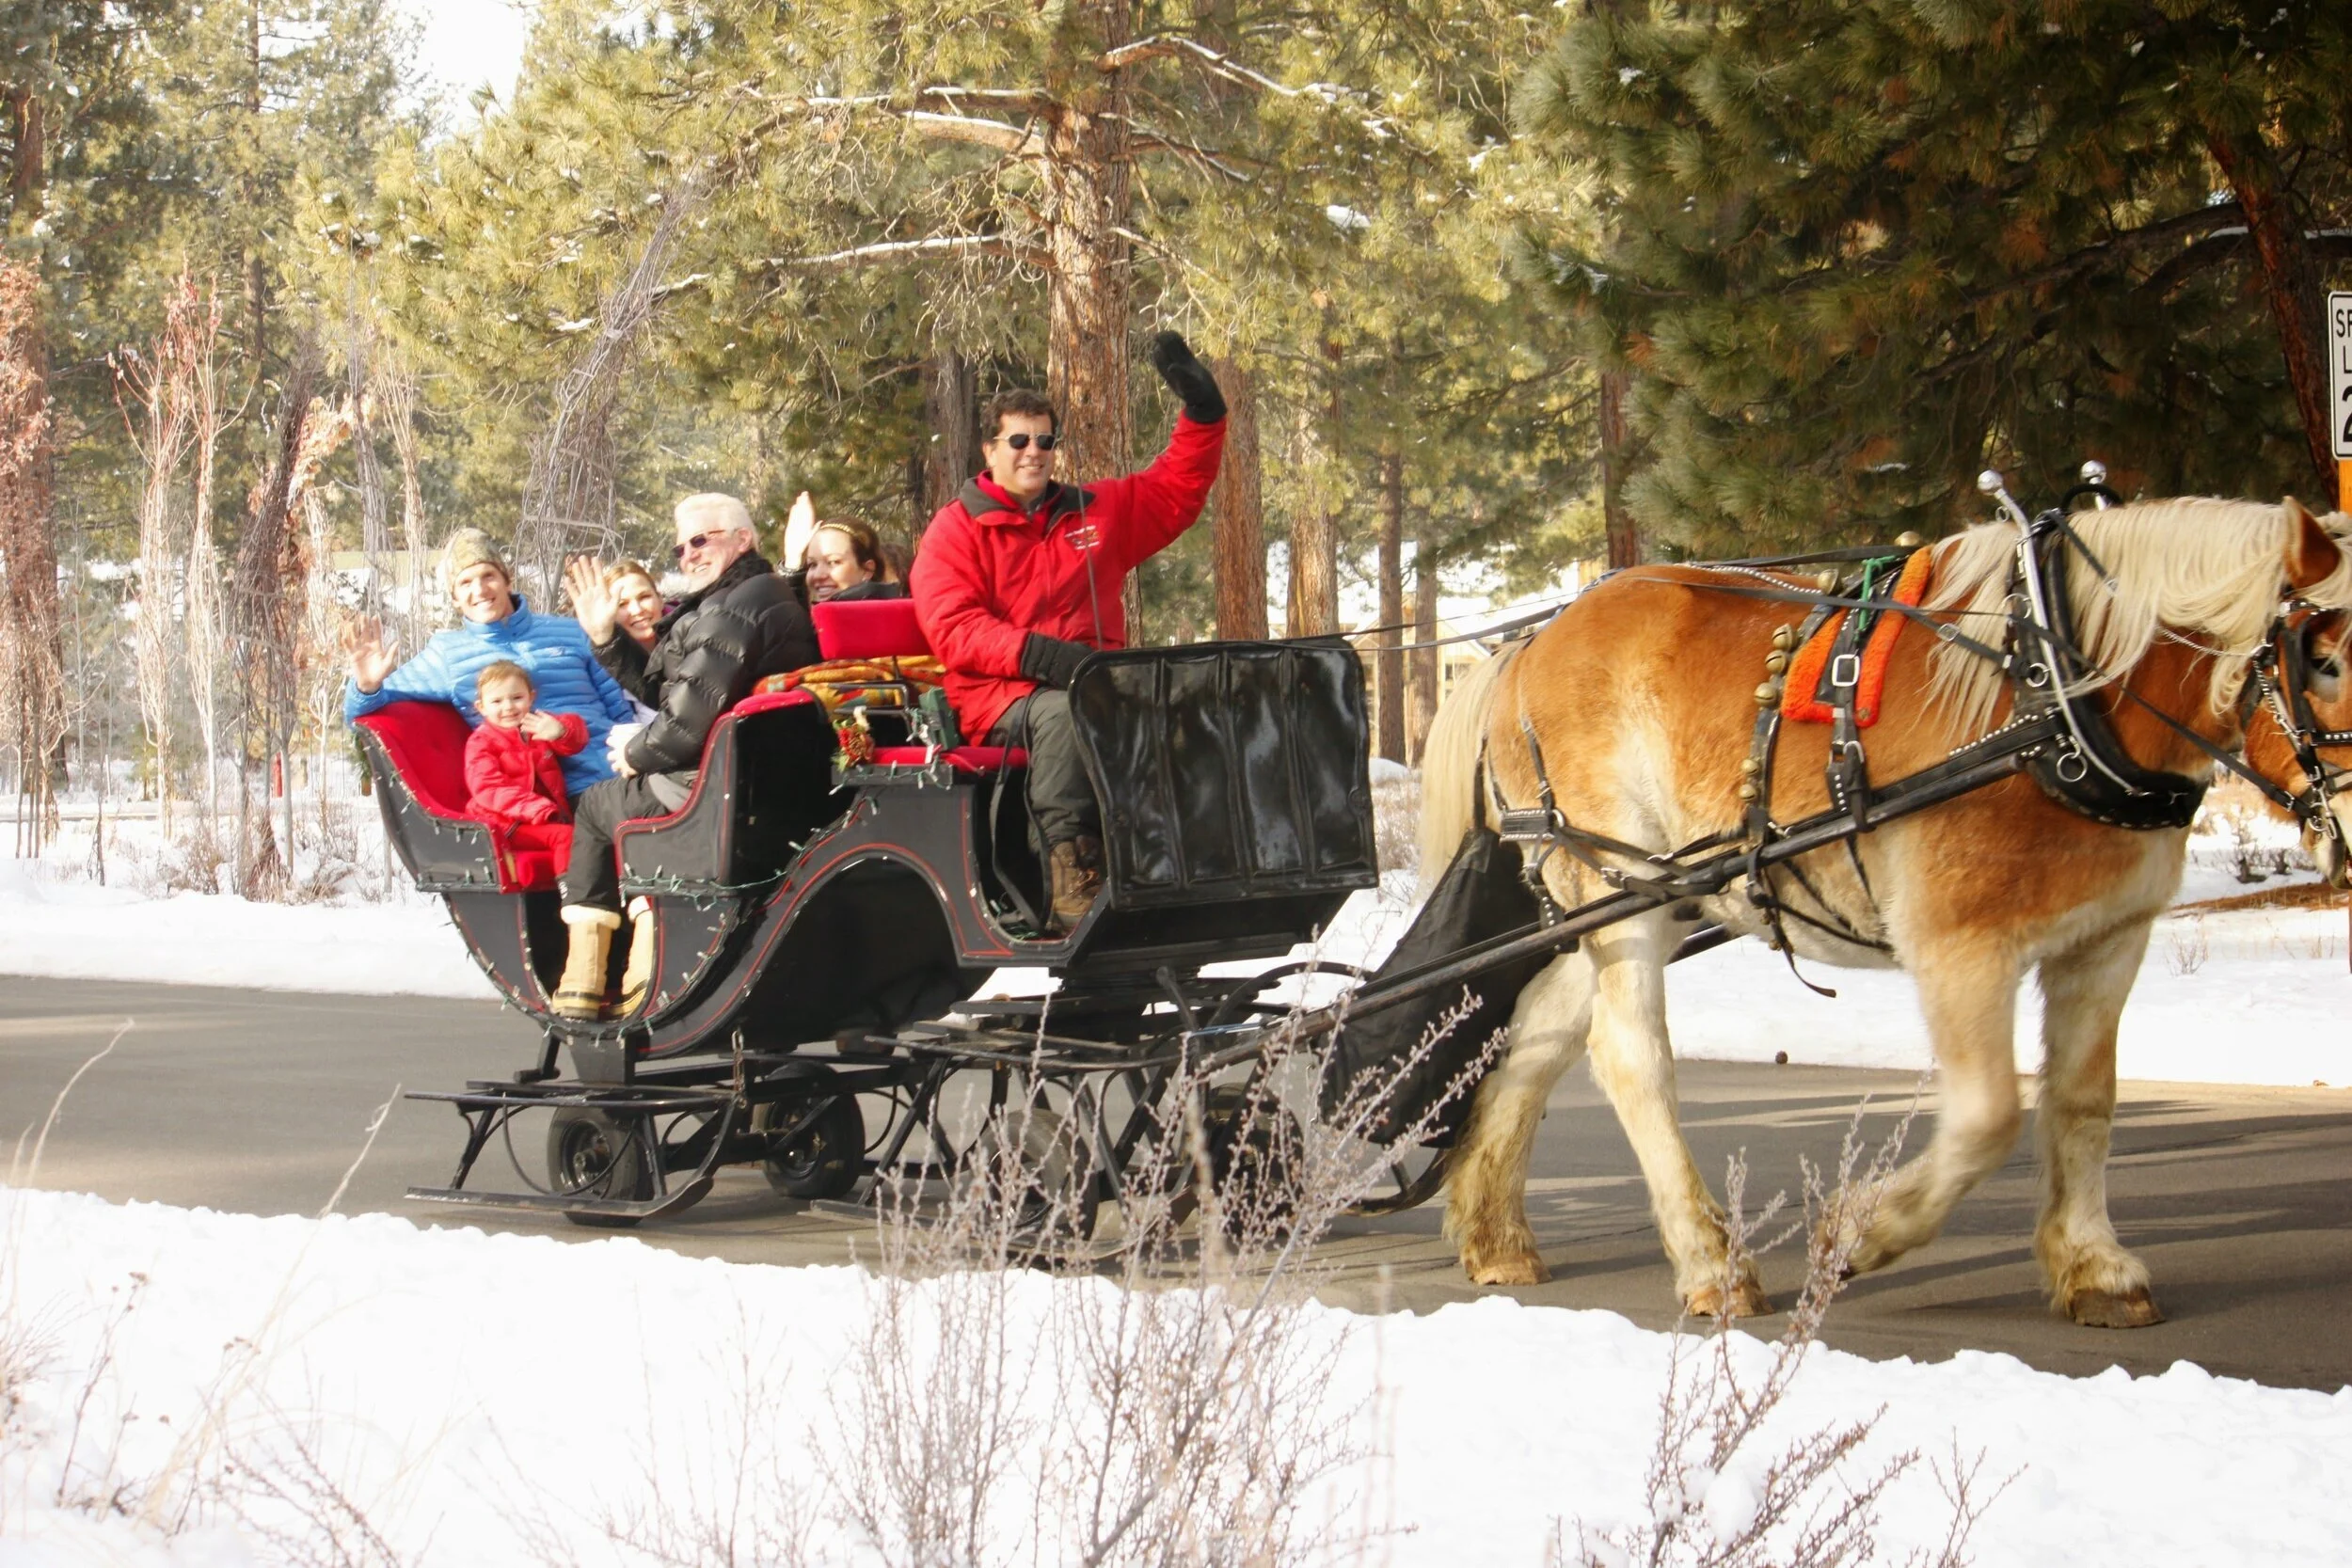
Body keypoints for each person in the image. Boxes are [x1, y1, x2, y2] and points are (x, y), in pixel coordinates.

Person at [910, 331, 1227, 928]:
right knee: (1065, 713)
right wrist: (1042, 656)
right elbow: (954, 628)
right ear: (990, 449)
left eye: (1045, 440)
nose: (1033, 452)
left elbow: (1175, 489)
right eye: (1019, 440)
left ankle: (1187, 855)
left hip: (1092, 681)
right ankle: (1069, 875)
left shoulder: (1095, 513)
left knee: (1184, 697)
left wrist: (1204, 415)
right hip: (996, 696)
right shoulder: (956, 530)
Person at [550, 493, 820, 1020]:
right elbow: (672, 691)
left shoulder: (732, 608)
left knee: (597, 805)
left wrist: (635, 753)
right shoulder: (752, 595)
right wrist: (605, 637)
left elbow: (684, 724)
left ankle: (589, 978)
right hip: (748, 780)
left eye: (700, 540)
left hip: (716, 788)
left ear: (742, 539)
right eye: (681, 548)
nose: (689, 554)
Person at [344, 530, 635, 797]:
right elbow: (360, 716)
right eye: (465, 582)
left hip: (621, 766)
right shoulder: (447, 654)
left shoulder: (571, 630)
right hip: (560, 790)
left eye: (488, 576)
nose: (480, 589)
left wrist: (637, 754)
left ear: (508, 581)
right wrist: (366, 685)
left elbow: (617, 704)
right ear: (455, 598)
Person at [463, 661, 587, 853]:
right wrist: (537, 808)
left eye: (517, 698)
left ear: (531, 697)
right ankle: (570, 875)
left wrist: (561, 731)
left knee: (589, 834)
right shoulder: (481, 741)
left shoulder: (537, 725)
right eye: (497, 701)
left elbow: (576, 740)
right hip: (503, 824)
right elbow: (488, 787)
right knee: (565, 837)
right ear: (482, 707)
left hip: (542, 816)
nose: (508, 707)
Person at [803, 517, 907, 604]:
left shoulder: (887, 620)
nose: (818, 575)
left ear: (867, 570)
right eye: (812, 564)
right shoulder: (809, 617)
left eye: (833, 562)